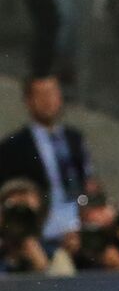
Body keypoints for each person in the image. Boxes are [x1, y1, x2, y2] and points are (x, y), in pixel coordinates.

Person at [0, 75, 90, 245]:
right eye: (41, 95)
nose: (48, 101)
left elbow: (87, 180)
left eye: (52, 94)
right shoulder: (13, 146)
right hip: (40, 224)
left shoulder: (74, 138)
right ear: (28, 101)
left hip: (77, 218)